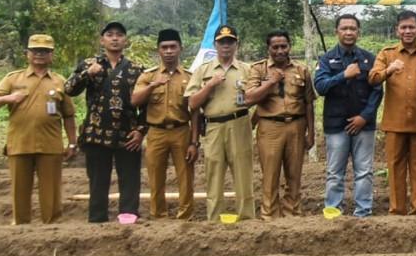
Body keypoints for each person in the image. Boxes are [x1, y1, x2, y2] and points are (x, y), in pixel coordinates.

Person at [0, 34, 78, 224]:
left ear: (52, 55)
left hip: (50, 146)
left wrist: (73, 143)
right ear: (28, 54)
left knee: (51, 192)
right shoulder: (13, 78)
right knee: (20, 191)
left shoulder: (60, 81)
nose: (40, 55)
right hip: (20, 144)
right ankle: (21, 227)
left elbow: (69, 115)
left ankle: (51, 227)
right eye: (35, 51)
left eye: (45, 51)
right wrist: (8, 98)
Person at [65, 21, 145, 223]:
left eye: (119, 35)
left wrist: (141, 131)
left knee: (130, 180)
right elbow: (68, 89)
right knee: (98, 180)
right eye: (110, 34)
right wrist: (86, 74)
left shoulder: (136, 69)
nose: (115, 38)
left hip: (127, 133)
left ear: (126, 40)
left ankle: (128, 217)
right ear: (102, 40)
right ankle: (98, 219)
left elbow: (148, 103)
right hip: (96, 133)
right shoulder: (90, 64)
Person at [368, 10, 416, 215]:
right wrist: (389, 70)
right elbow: (373, 78)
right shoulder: (387, 54)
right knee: (395, 168)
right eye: (404, 27)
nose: (408, 31)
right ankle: (397, 210)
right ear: (397, 31)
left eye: (412, 27)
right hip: (395, 123)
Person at [185, 25, 255, 220]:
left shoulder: (246, 70)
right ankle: (214, 222)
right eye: (222, 42)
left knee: (243, 175)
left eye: (230, 42)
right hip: (213, 126)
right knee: (214, 175)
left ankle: (248, 221)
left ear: (236, 44)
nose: (226, 46)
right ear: (215, 44)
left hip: (239, 123)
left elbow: (258, 97)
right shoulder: (203, 71)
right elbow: (192, 103)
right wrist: (210, 84)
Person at [315, 13, 382, 218]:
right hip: (336, 125)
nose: (349, 32)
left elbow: (377, 91)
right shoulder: (326, 60)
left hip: (364, 125)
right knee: (335, 173)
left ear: (358, 32)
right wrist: (343, 75)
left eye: (353, 28)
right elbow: (320, 87)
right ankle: (334, 211)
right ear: (337, 32)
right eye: (344, 28)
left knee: (365, 172)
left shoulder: (370, 59)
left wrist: (364, 117)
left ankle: (363, 212)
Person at [246, 31, 316, 219]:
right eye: (275, 47)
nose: (279, 51)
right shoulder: (258, 70)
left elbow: (309, 101)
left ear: (290, 46)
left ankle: (292, 215)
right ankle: (269, 216)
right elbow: (249, 98)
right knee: (270, 175)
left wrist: (311, 133)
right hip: (270, 127)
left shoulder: (301, 70)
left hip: (296, 126)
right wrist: (272, 82)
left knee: (294, 174)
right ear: (268, 48)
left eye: (283, 46)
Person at [131, 29, 197, 220]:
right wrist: (153, 85)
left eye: (173, 47)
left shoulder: (189, 77)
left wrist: (194, 142)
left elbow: (195, 112)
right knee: (155, 177)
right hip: (156, 133)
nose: (169, 51)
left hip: (181, 131)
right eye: (164, 47)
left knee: (185, 178)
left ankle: (186, 217)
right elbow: (135, 100)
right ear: (158, 50)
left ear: (180, 49)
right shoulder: (148, 76)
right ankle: (159, 216)